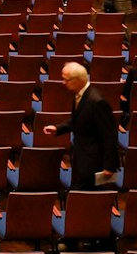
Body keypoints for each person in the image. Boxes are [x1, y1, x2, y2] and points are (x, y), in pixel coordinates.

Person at [44, 61, 118, 189]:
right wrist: (58, 128)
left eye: (66, 80)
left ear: (78, 80)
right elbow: (78, 119)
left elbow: (109, 136)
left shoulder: (97, 102)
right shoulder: (80, 94)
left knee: (85, 197)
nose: (63, 83)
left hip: (93, 161)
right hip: (82, 155)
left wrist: (109, 166)